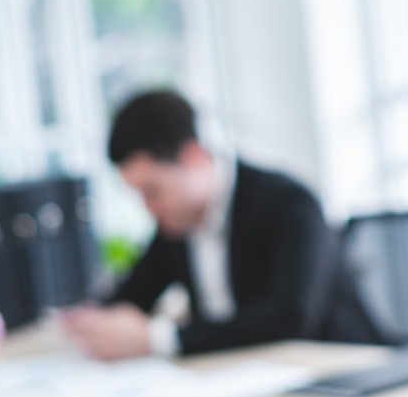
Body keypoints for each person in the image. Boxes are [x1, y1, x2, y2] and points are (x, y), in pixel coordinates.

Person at [62, 89, 380, 359]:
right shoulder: (177, 222)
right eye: (139, 196)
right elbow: (134, 296)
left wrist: (158, 339)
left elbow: (292, 316)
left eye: (153, 191)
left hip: (341, 367)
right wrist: (92, 320)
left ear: (193, 158)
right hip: (243, 373)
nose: (149, 208)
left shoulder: (287, 203)